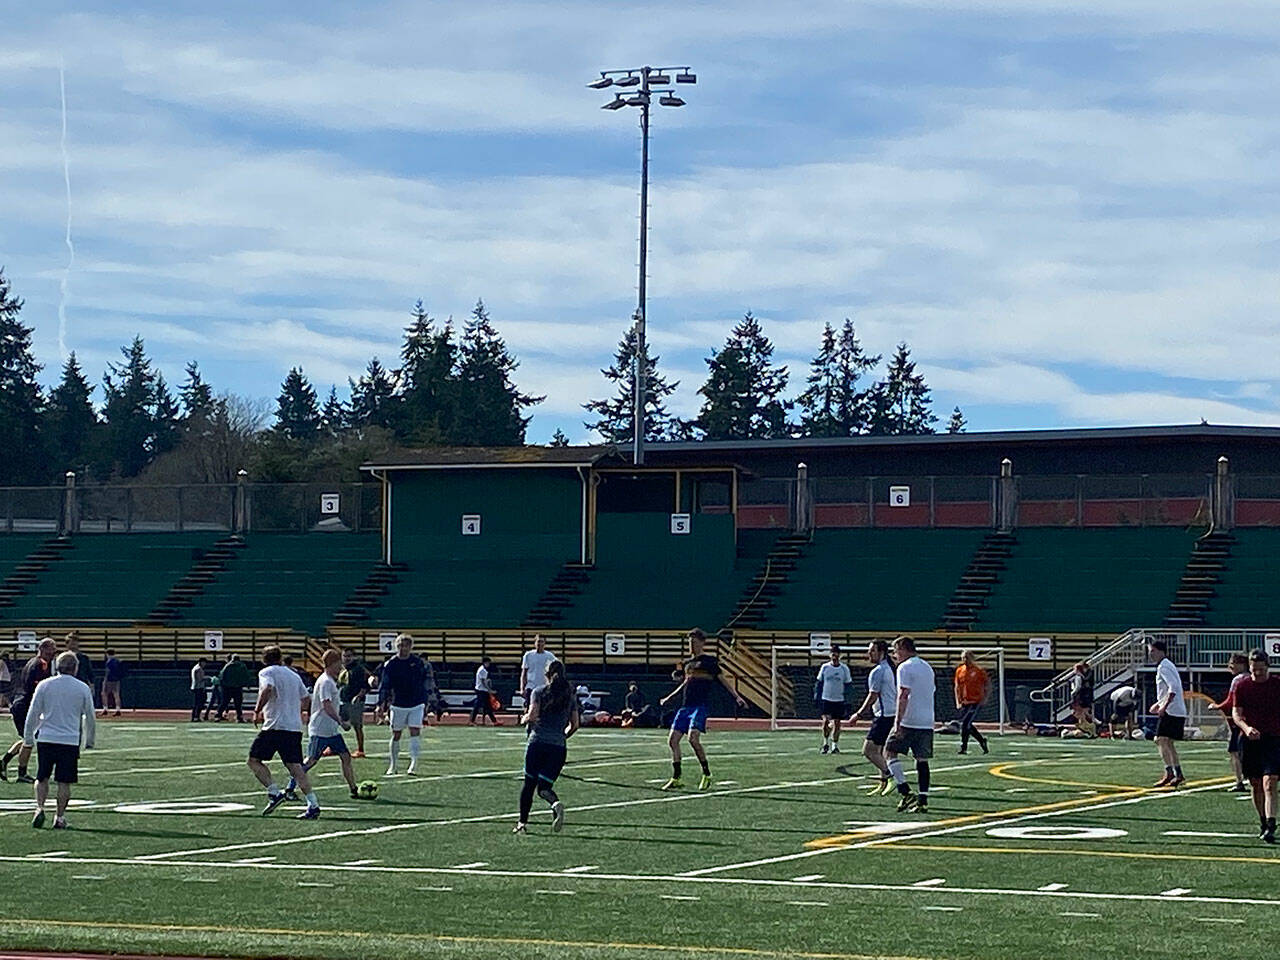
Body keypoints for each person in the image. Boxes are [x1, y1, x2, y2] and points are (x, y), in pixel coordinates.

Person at [659, 628, 746, 791]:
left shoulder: (710, 662)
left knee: (693, 739)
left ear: (702, 643)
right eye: (689, 642)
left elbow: (723, 680)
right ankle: (676, 777)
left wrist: (737, 696)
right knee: (672, 740)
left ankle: (706, 773)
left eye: (694, 642)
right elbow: (685, 684)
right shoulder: (688, 664)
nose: (690, 645)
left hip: (699, 707)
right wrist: (670, 697)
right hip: (685, 707)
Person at [23, 651, 95, 829]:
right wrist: (89, 740)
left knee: (42, 776)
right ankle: (60, 816)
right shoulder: (82, 687)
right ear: (75, 668)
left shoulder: (45, 685)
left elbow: (33, 712)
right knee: (64, 781)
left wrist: (28, 736)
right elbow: (90, 716)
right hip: (69, 740)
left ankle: (39, 807)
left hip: (47, 737)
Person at [246, 645, 318, 819]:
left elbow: (267, 689)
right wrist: (293, 711)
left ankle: (274, 792)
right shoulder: (293, 675)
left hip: (275, 726)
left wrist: (257, 710)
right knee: (296, 767)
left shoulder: (266, 673)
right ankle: (313, 803)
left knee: (253, 760)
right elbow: (306, 699)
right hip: (293, 726)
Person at [513, 660, 580, 835]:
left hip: (538, 742)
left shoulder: (539, 692)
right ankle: (555, 803)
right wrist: (562, 736)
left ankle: (522, 823)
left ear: (547, 674)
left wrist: (523, 719)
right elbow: (575, 725)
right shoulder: (569, 697)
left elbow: (533, 714)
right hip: (558, 747)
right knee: (544, 787)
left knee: (529, 784)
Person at [287, 649, 360, 801]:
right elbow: (326, 705)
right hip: (321, 729)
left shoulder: (329, 680)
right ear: (332, 663)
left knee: (346, 757)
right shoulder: (326, 681)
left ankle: (353, 788)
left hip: (330, 730)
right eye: (338, 663)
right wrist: (340, 721)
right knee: (311, 761)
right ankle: (290, 788)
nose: (341, 666)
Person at [1231, 648, 1280, 844]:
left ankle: (1271, 824)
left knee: (1270, 781)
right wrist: (1246, 727)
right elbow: (1236, 713)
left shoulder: (1277, 685)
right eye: (1254, 670)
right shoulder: (1242, 686)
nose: (1257, 673)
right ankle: (1262, 820)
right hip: (1250, 740)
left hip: (1274, 739)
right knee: (1256, 783)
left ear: (1268, 667)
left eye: (1261, 669)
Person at [885, 635, 936, 814]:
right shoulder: (927, 667)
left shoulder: (904, 668)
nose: (894, 655)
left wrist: (897, 721)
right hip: (927, 720)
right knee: (922, 760)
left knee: (889, 751)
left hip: (909, 719)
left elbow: (903, 695)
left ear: (903, 649)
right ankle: (923, 800)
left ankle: (905, 791)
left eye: (896, 650)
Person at [1, 637, 57, 783]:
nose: (53, 654)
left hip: (20, 703)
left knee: (28, 738)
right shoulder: (42, 664)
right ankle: (21, 773)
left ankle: (4, 761)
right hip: (26, 705)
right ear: (43, 649)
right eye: (51, 650)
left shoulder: (32, 661)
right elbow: (37, 687)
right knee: (29, 740)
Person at [375, 634, 430, 775]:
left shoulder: (418, 663)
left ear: (411, 647)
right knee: (396, 734)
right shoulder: (391, 664)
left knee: (415, 732)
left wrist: (426, 702)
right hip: (397, 703)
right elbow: (385, 685)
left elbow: (424, 683)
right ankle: (393, 765)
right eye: (400, 645)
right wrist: (381, 703)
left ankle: (414, 764)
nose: (403, 648)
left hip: (416, 703)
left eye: (406, 645)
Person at [849, 639, 896, 796]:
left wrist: (859, 714)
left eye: (872, 651)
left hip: (884, 715)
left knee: (868, 750)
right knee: (879, 750)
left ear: (881, 652)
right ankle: (883, 783)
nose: (869, 654)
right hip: (888, 714)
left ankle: (891, 776)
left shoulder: (879, 671)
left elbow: (873, 695)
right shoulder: (888, 668)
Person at [1149, 639, 1188, 788]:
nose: (1150, 654)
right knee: (1167, 742)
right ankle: (1177, 773)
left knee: (1159, 739)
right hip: (1176, 709)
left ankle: (1169, 771)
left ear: (1161, 651)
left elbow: (1172, 689)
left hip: (1171, 710)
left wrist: (1163, 707)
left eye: (1153, 651)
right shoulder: (1168, 665)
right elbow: (1170, 690)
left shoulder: (1164, 667)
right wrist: (1158, 704)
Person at [1210, 653, 1251, 792]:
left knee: (1234, 752)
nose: (1229, 666)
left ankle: (1240, 781)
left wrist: (1217, 706)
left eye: (1232, 662)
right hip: (1253, 721)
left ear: (1241, 664)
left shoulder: (1238, 679)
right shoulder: (1252, 678)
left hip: (1239, 722)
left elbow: (1231, 701)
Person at [815, 645, 852, 755]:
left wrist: (847, 699)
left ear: (839, 655)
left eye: (836, 653)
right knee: (826, 721)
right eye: (832, 653)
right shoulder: (825, 667)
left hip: (839, 699)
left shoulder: (844, 669)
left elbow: (848, 684)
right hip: (826, 699)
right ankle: (825, 743)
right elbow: (819, 682)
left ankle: (835, 745)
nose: (834, 655)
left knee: (837, 723)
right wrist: (817, 696)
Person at [954, 650, 991, 755]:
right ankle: (982, 741)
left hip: (975, 701)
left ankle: (963, 747)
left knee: (965, 724)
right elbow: (957, 686)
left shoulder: (978, 671)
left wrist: (985, 698)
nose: (965, 660)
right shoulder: (960, 670)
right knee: (967, 725)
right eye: (963, 658)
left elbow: (987, 684)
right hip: (965, 701)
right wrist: (958, 700)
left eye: (967, 657)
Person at [338, 648, 373, 758]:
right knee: (335, 723)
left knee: (357, 726)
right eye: (344, 656)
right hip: (343, 700)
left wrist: (358, 696)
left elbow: (365, 685)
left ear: (353, 657)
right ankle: (332, 746)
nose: (346, 658)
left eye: (349, 656)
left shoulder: (359, 669)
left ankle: (360, 749)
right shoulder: (342, 669)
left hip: (355, 702)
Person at [520, 635, 558, 709]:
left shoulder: (550, 656)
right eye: (538, 641)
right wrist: (522, 688)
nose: (539, 644)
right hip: (531, 686)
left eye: (541, 641)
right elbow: (524, 673)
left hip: (544, 687)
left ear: (544, 643)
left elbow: (555, 670)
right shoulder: (528, 655)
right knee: (529, 708)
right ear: (535, 643)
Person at [218, 653, 253, 722]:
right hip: (238, 687)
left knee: (224, 702)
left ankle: (218, 715)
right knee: (238, 704)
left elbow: (221, 676)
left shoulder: (227, 666)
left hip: (227, 687)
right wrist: (247, 684)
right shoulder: (242, 666)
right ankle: (239, 717)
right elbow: (247, 676)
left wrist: (222, 685)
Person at [64, 632, 95, 708]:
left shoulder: (84, 658)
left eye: (75, 642)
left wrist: (92, 686)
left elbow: (90, 673)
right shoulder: (63, 658)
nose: (74, 644)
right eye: (72, 642)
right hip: (66, 686)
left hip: (81, 684)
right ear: (67, 644)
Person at [1067, 662, 1096, 737]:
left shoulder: (1078, 676)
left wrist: (1072, 693)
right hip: (1084, 696)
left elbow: (1077, 687)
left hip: (1079, 696)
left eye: (1075, 669)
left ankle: (1087, 728)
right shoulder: (1084, 676)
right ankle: (1087, 728)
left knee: (1079, 713)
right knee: (1083, 713)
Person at [470, 656, 500, 726]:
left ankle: (494, 721)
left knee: (485, 706)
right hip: (481, 690)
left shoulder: (482, 669)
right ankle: (493, 721)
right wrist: (490, 690)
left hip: (481, 690)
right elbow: (484, 682)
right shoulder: (483, 670)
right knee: (480, 706)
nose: (489, 664)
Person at [101, 649, 124, 716]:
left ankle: (105, 708)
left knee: (104, 693)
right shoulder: (117, 661)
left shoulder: (109, 662)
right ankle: (118, 709)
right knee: (116, 694)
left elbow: (107, 672)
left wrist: (105, 680)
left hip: (109, 680)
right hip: (116, 680)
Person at [190, 658, 207, 722]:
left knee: (197, 703)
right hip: (198, 687)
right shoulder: (198, 669)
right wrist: (209, 678)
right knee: (199, 703)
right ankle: (196, 716)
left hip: (197, 687)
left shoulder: (196, 668)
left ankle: (195, 716)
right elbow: (200, 679)